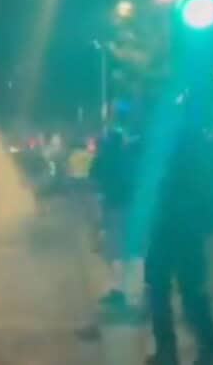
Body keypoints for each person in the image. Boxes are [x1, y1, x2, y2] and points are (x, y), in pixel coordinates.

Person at [145, 124, 213, 365]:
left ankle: (169, 351)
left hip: (171, 227)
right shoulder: (203, 152)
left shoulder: (173, 157)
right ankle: (210, 348)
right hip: (190, 230)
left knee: (160, 288)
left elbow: (162, 190)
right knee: (192, 292)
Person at [90, 129, 142, 310]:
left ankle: (124, 292)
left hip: (113, 207)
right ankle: (124, 292)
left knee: (114, 251)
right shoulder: (129, 159)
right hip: (129, 208)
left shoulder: (104, 159)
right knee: (126, 252)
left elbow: (94, 181)